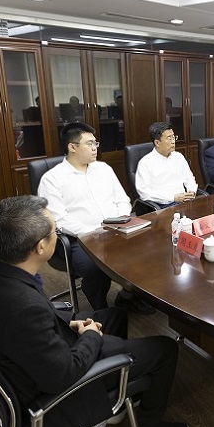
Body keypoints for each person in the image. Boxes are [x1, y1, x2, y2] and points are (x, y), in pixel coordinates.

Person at [0, 196, 188, 427]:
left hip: (30, 354)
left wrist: (71, 324)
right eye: (54, 232)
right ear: (40, 247)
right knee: (165, 349)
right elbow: (63, 375)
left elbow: (30, 327)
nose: (57, 235)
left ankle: (122, 397)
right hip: (61, 389)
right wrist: (90, 335)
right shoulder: (25, 307)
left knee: (116, 316)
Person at [38, 122, 152, 314]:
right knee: (94, 267)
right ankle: (100, 310)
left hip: (117, 228)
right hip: (81, 238)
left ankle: (128, 296)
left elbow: (122, 199)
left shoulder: (103, 169)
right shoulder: (52, 179)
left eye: (95, 143)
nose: (95, 148)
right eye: (89, 144)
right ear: (72, 147)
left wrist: (122, 218)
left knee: (147, 249)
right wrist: (93, 232)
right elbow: (59, 219)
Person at [135, 121, 198, 208]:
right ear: (157, 143)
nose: (173, 141)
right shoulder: (145, 163)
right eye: (169, 138)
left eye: (173, 137)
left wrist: (191, 191)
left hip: (184, 202)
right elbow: (144, 194)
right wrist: (173, 198)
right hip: (162, 206)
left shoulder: (178, 157)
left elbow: (189, 179)